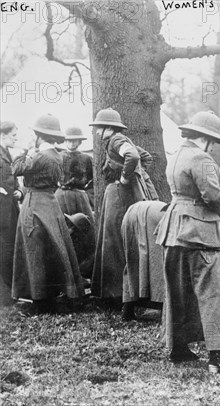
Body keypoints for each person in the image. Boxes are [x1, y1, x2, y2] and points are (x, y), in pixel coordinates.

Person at [155, 111, 220, 372]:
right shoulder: (202, 159)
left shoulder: (176, 156)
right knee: (213, 293)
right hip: (199, 233)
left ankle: (178, 349)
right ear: (208, 139)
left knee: (178, 292)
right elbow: (213, 198)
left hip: (173, 230)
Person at [11, 114, 85, 313]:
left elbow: (16, 168)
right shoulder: (56, 155)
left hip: (35, 203)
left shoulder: (40, 156)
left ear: (39, 136)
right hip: (50, 203)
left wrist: (25, 149)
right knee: (54, 247)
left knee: (34, 248)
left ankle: (39, 300)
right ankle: (55, 296)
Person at [90, 108, 157, 310]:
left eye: (99, 128)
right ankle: (127, 293)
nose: (96, 133)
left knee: (114, 241)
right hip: (125, 195)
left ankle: (118, 295)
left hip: (120, 195)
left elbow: (134, 156)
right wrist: (138, 176)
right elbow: (145, 158)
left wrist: (126, 178)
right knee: (123, 240)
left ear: (109, 128)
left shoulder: (116, 141)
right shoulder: (120, 140)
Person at [121, 200, 168, 321]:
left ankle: (127, 310)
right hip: (154, 215)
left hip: (130, 213)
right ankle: (165, 310)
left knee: (132, 263)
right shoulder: (178, 212)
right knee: (159, 262)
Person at [0, 121, 23, 306]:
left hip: (10, 210)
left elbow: (14, 179)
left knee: (10, 249)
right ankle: (5, 295)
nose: (16, 138)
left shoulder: (8, 154)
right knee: (4, 251)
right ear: (2, 135)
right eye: (13, 135)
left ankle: (10, 293)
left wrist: (19, 191)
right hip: (2, 211)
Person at [54, 127, 94, 221]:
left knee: (85, 222)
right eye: (69, 141)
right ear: (65, 141)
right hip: (61, 194)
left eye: (74, 141)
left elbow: (92, 179)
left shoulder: (86, 159)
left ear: (80, 142)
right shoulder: (59, 157)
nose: (72, 143)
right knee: (60, 221)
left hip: (79, 195)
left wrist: (86, 194)